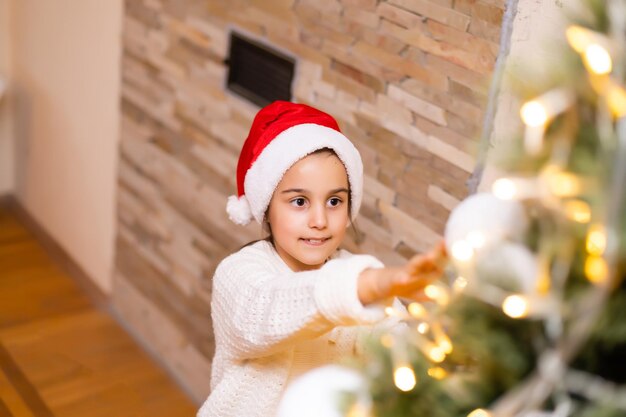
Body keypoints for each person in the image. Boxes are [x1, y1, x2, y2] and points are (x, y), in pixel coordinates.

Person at [197, 101, 447, 417]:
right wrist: (367, 287)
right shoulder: (239, 273)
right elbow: (265, 311)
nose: (320, 220)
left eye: (334, 201)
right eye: (299, 202)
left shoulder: (355, 275)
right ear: (266, 209)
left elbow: (395, 342)